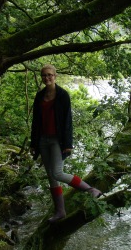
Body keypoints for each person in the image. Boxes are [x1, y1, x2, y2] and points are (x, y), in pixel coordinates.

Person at [30, 64, 102, 223]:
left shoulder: (63, 95)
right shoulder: (39, 96)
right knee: (51, 177)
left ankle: (90, 189)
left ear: (55, 76)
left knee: (57, 173)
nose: (46, 78)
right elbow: (35, 121)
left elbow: (68, 121)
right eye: (44, 75)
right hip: (43, 139)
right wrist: (33, 143)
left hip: (57, 140)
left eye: (49, 75)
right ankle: (60, 212)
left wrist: (68, 143)